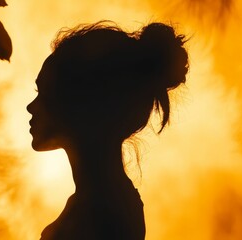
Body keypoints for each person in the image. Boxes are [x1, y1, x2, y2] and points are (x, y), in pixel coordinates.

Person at [27, 21, 189, 240]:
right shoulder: (98, 201)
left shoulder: (104, 211)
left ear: (84, 104)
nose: (31, 107)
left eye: (46, 92)